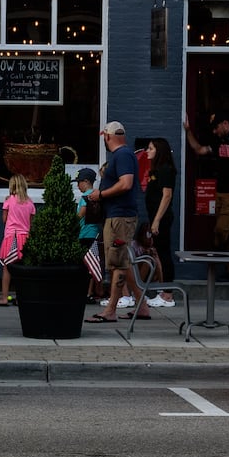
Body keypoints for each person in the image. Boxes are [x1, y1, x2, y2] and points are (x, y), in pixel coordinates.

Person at [84, 121, 149, 324]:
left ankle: (110, 310)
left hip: (120, 217)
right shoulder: (124, 155)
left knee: (118, 264)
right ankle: (143, 307)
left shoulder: (122, 155)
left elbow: (126, 183)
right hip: (117, 215)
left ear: (107, 137)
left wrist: (100, 195)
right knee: (124, 262)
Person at [183, 110, 229, 279]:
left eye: (216, 128)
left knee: (221, 230)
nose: (214, 132)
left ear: (225, 124)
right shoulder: (217, 141)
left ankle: (216, 254)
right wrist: (188, 131)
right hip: (219, 193)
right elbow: (199, 150)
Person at [142, 137, 178, 306]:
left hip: (161, 218)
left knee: (164, 254)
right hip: (155, 217)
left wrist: (157, 220)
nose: (147, 151)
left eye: (150, 148)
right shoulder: (155, 170)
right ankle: (163, 290)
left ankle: (168, 295)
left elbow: (167, 195)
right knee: (159, 253)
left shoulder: (165, 169)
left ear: (159, 150)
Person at [0, 173, 35, 306]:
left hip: (11, 236)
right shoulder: (30, 202)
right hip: (25, 237)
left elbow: (4, 220)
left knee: (7, 268)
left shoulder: (9, 200)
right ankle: (21, 297)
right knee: (22, 269)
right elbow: (31, 223)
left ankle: (4, 297)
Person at [75, 167, 104, 301]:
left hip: (85, 234)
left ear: (86, 181)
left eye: (79, 182)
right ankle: (91, 291)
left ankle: (87, 292)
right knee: (92, 264)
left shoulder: (86, 197)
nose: (77, 185)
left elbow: (81, 214)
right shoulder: (98, 194)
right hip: (95, 234)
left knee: (85, 264)